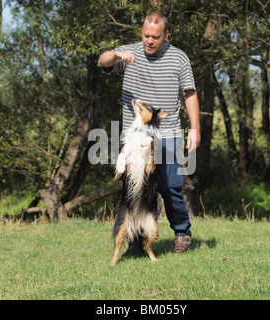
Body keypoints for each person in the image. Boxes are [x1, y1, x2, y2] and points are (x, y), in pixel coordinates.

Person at [98, 12, 200, 256]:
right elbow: (103, 60)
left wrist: (195, 128)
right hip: (136, 140)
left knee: (169, 187)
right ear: (141, 32)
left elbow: (189, 94)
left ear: (166, 35)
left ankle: (182, 232)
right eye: (146, 35)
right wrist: (115, 54)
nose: (149, 41)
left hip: (168, 134)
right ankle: (135, 243)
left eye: (155, 37)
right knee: (134, 189)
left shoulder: (179, 58)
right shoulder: (128, 52)